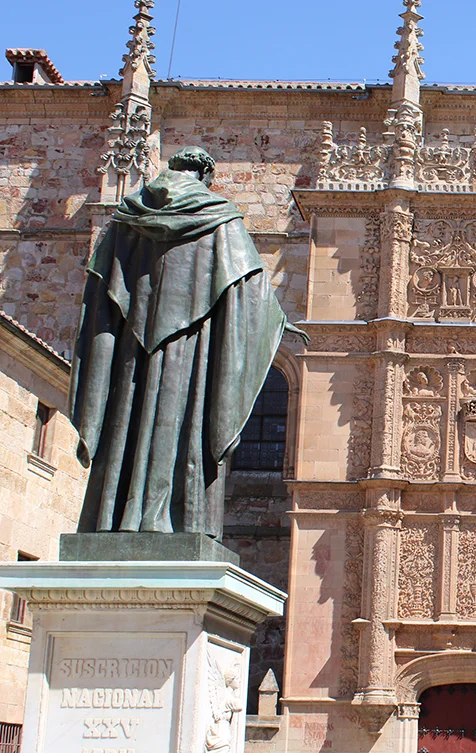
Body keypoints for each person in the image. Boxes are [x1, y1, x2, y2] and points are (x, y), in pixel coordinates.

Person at [69, 146, 304, 540]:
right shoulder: (219, 217)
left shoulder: (127, 217)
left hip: (133, 352)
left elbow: (101, 289)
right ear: (206, 175)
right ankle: (175, 520)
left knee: (127, 418)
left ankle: (113, 516)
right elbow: (248, 289)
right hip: (191, 352)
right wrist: (279, 323)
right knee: (188, 421)